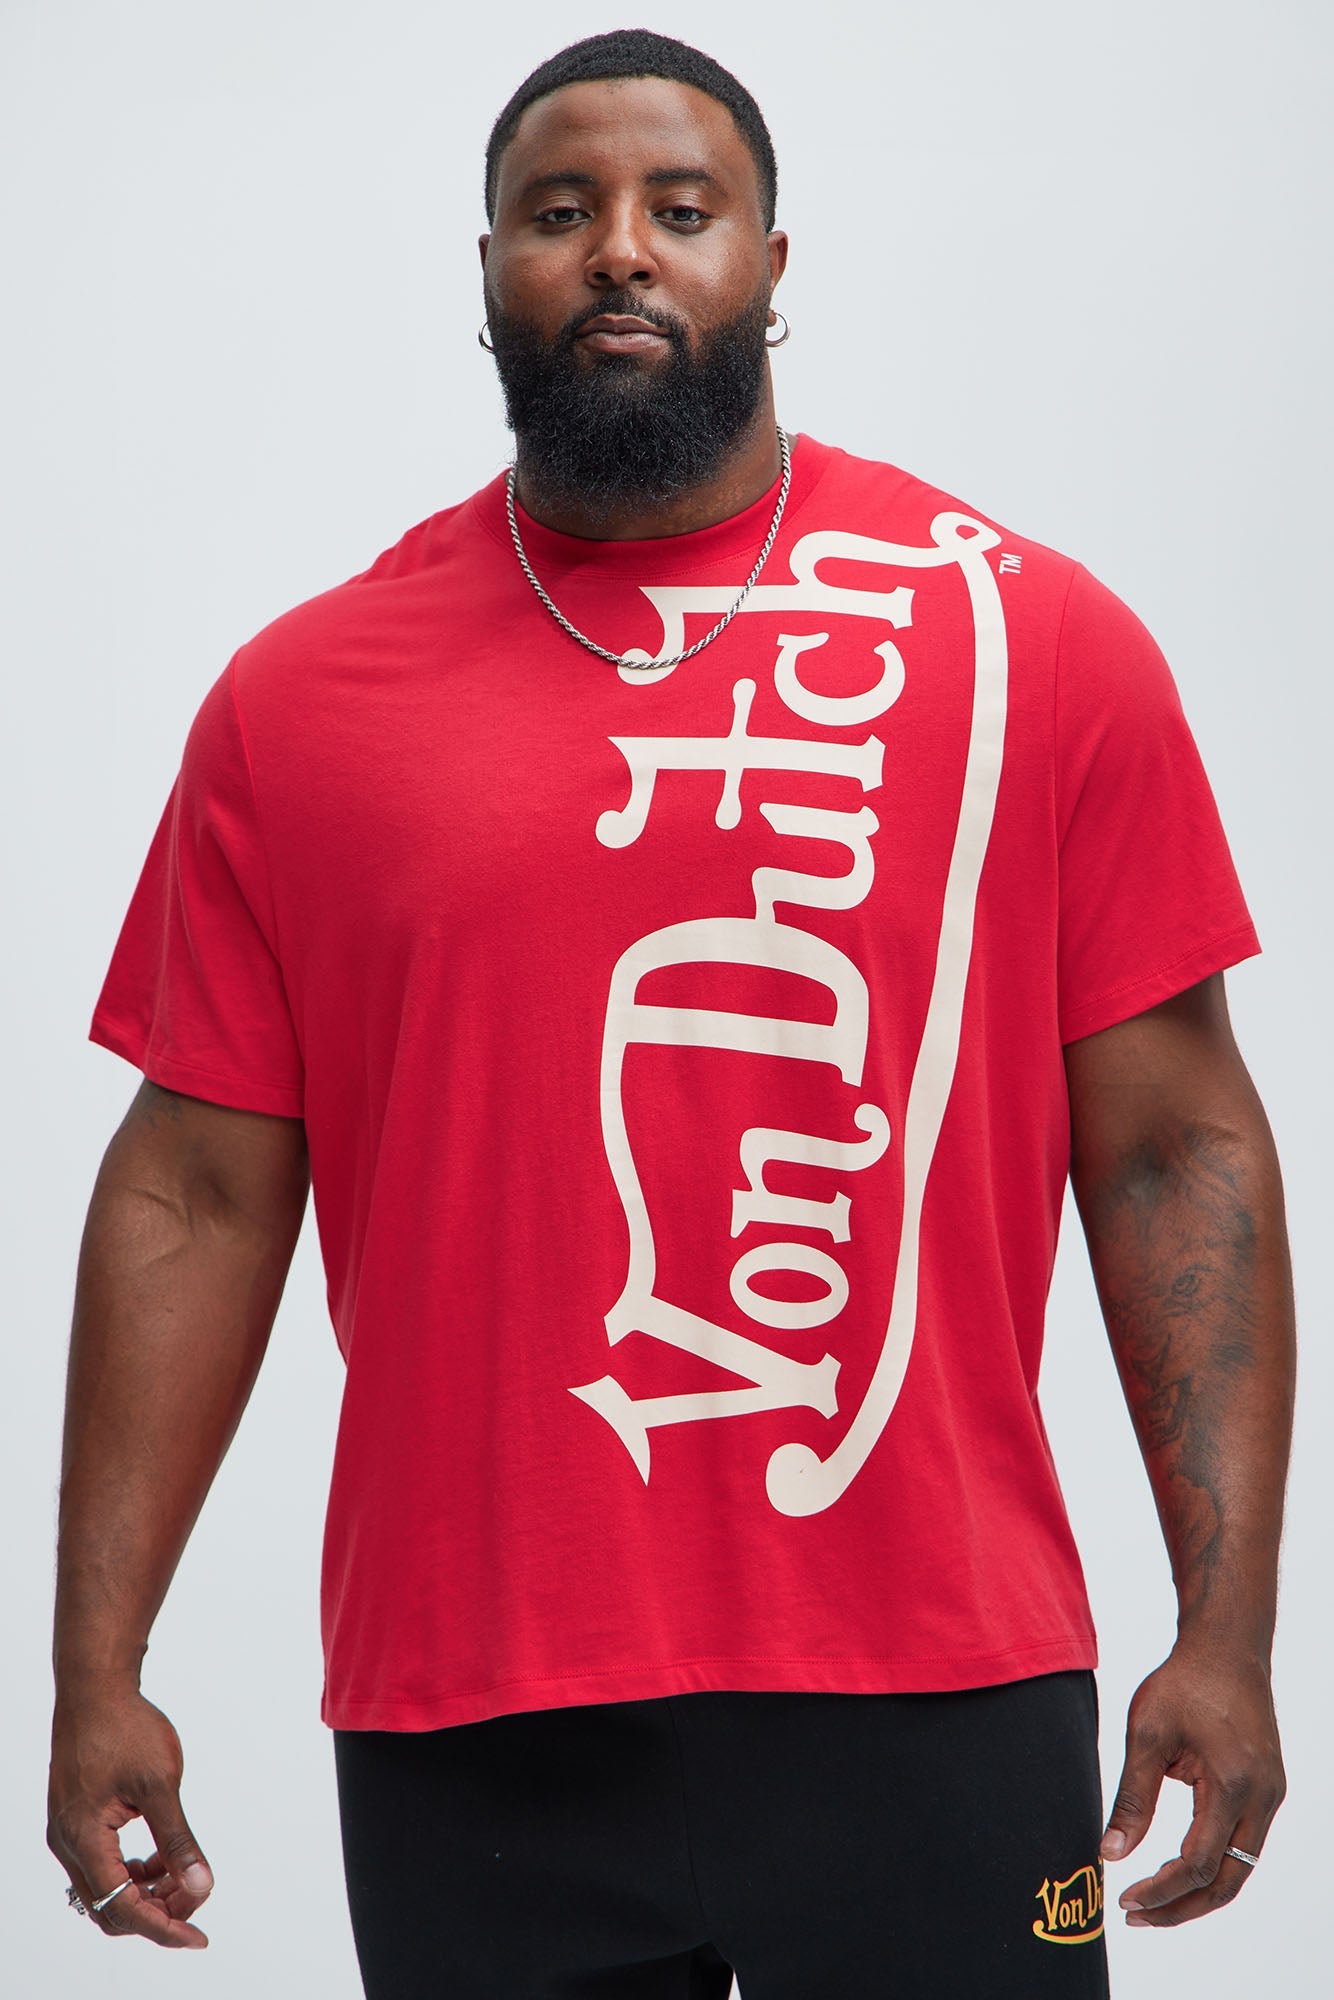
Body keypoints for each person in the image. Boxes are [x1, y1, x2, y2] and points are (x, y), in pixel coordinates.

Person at [47, 27, 1293, 1998]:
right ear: (486, 271)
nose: (620, 248)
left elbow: (1170, 1149)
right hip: (475, 1705)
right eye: (560, 211)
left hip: (934, 1680)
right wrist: (96, 1663)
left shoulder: (1028, 639)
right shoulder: (298, 706)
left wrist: (1224, 1632)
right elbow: (192, 1192)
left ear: (771, 265)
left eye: (679, 208)